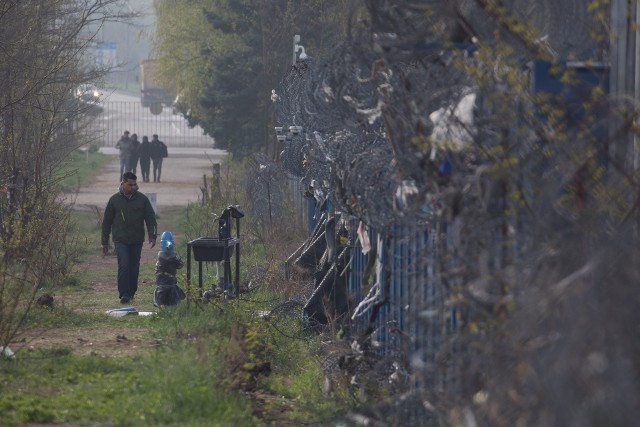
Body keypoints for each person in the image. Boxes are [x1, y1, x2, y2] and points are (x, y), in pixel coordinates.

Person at [101, 172, 157, 304]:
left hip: (137, 239)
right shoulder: (114, 200)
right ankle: (124, 294)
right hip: (120, 240)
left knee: (134, 268)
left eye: (134, 184)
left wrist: (152, 235)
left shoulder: (142, 199)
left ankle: (131, 292)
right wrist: (104, 242)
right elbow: (106, 222)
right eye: (129, 184)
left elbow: (150, 218)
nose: (133, 187)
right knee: (124, 266)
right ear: (123, 184)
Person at [153, 231, 186, 306]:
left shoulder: (161, 258)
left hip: (163, 283)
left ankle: (163, 303)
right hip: (168, 283)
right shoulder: (171, 258)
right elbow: (180, 265)